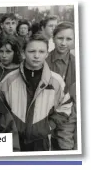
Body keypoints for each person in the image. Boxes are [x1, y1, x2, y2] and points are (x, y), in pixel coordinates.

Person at [0, 35, 75, 151]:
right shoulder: (9, 79)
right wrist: (9, 127)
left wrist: (49, 125)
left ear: (47, 54)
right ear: (23, 53)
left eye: (41, 51)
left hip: (41, 141)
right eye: (31, 51)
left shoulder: (56, 80)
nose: (36, 56)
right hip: (13, 140)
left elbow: (65, 106)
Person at [47, 22, 77, 151]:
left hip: (68, 111)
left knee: (65, 144)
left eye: (68, 39)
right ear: (53, 38)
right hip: (46, 110)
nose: (63, 43)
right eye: (60, 38)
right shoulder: (44, 60)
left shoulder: (77, 62)